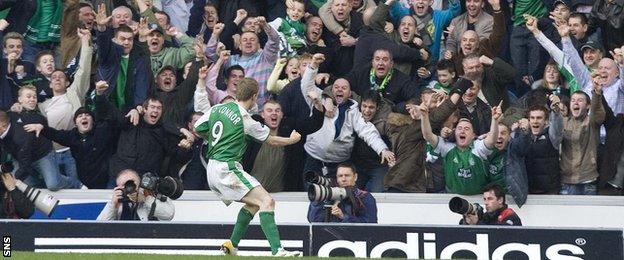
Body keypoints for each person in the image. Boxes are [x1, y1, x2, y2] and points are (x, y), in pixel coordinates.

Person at [193, 77, 303, 256]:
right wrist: (292, 140)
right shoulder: (245, 120)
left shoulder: (218, 108)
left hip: (212, 168)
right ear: (254, 96)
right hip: (227, 168)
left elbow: (197, 127)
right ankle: (278, 250)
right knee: (268, 201)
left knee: (254, 204)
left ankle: (231, 246)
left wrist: (214, 140)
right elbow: (272, 141)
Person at [421, 97, 503, 195]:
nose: (462, 130)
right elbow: (427, 135)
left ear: (473, 135)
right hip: (452, 197)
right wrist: (424, 116)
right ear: (454, 133)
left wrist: (495, 120)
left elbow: (491, 140)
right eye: (459, 128)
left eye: (467, 128)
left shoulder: (478, 148)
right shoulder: (447, 148)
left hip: (478, 198)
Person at [307, 162, 378, 223]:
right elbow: (313, 221)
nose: (343, 179)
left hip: (354, 237)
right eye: (340, 176)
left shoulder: (364, 196)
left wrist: (344, 217)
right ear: (337, 178)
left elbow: (371, 223)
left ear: (355, 177)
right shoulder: (328, 194)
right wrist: (318, 199)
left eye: (347, 175)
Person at [97, 169, 175, 221]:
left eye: (131, 183)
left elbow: (169, 215)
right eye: (124, 185)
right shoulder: (118, 201)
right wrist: (113, 206)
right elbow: (99, 227)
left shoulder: (152, 195)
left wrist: (145, 200)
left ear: (140, 182)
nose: (129, 187)